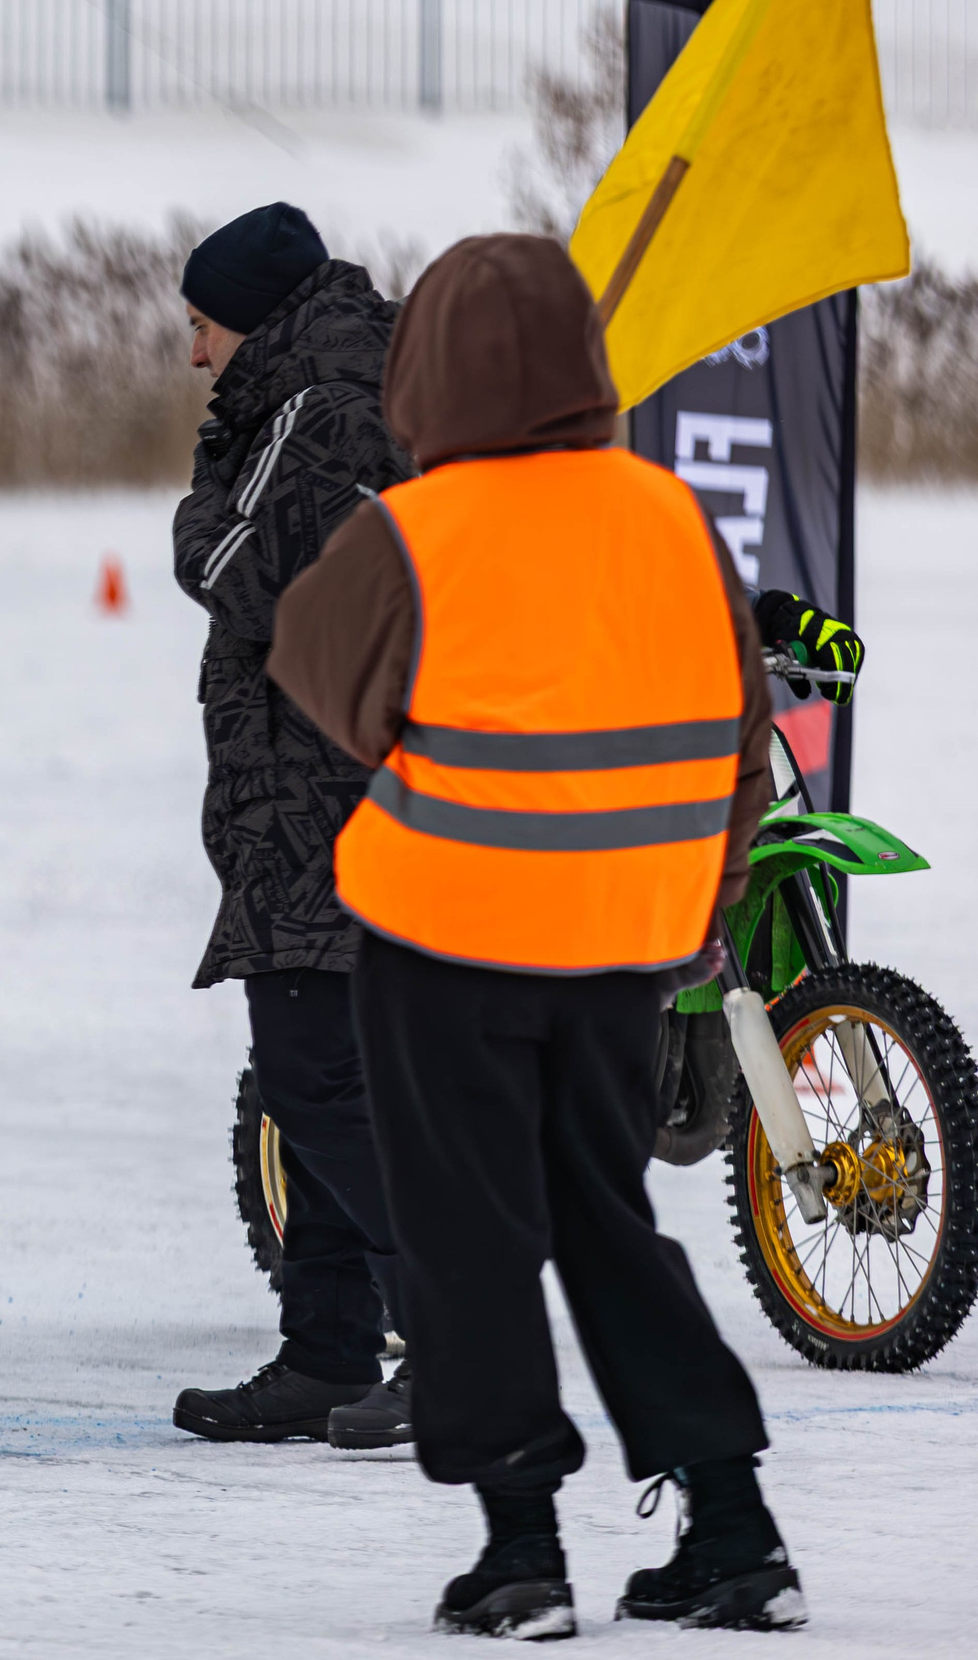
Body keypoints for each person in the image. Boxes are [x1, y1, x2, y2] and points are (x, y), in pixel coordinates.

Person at [270, 233, 806, 1637]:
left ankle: (521, 1552)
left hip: (446, 940)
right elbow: (740, 734)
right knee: (606, 1221)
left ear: (427, 368)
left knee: (469, 1237)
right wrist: (700, 899)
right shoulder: (673, 518)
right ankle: (735, 1530)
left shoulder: (415, 531)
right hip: (625, 944)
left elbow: (317, 670)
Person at [167, 203, 422, 1449]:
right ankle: (326, 1348)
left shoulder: (317, 409)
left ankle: (453, 1335)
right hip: (322, 788)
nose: (194, 354)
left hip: (326, 795)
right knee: (307, 1073)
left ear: (254, 320)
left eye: (203, 326)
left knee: (317, 1077)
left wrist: (199, 496)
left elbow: (231, 570)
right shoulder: (346, 382)